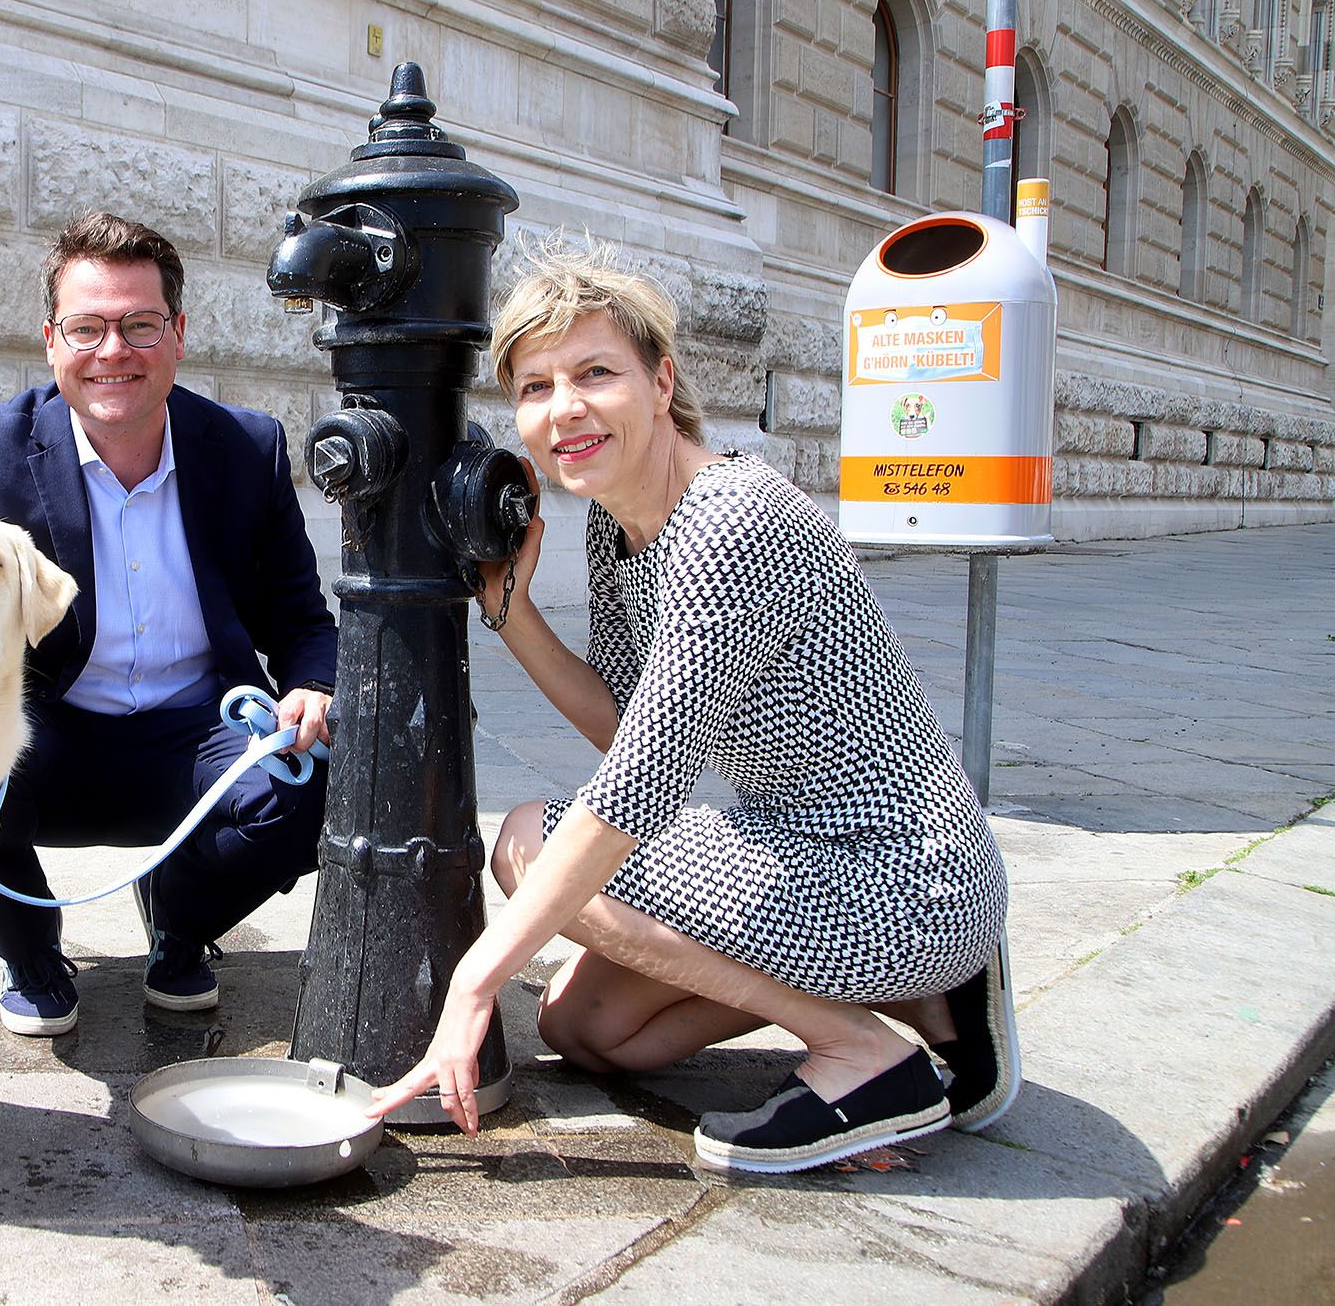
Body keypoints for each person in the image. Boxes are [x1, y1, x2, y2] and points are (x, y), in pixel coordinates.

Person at [367, 247, 1016, 1173]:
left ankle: (863, 1054)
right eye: (538, 387)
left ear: (661, 379)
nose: (567, 410)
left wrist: (476, 977)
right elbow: (625, 719)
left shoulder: (730, 520)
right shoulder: (618, 518)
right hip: (793, 847)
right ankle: (928, 1008)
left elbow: (636, 790)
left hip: (904, 876)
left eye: (596, 373)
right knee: (586, 1030)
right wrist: (509, 609)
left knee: (525, 841)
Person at [0, 212, 337, 1037]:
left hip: (202, 729)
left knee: (317, 779)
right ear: (52, 341)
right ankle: (33, 952)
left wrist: (310, 685)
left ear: (178, 333)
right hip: (51, 734)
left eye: (140, 324)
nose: (113, 350)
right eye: (87, 326)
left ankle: (179, 924)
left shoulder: (244, 448)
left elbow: (300, 617)